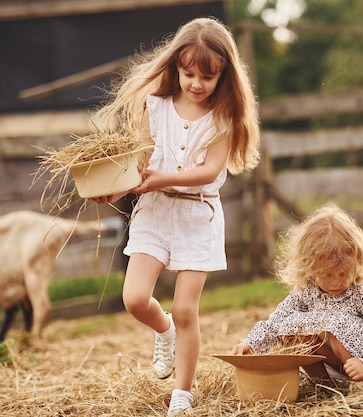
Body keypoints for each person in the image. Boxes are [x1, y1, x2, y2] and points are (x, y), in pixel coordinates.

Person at [90, 17, 260, 416]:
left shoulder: (224, 118)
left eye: (208, 76)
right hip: (154, 211)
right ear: (175, 68)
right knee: (133, 298)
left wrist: (164, 177)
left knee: (187, 309)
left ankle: (182, 394)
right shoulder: (156, 105)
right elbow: (142, 161)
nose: (196, 84)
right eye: (188, 74)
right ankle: (163, 331)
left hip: (197, 217)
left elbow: (210, 171)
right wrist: (114, 189)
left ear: (224, 75)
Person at [231, 205, 363, 385]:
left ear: (357, 261)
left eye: (343, 273)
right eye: (327, 274)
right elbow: (276, 322)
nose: (335, 282)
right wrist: (251, 344)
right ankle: (324, 384)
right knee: (290, 329)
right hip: (336, 365)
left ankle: (360, 384)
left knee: (336, 324)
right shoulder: (306, 289)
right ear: (309, 267)